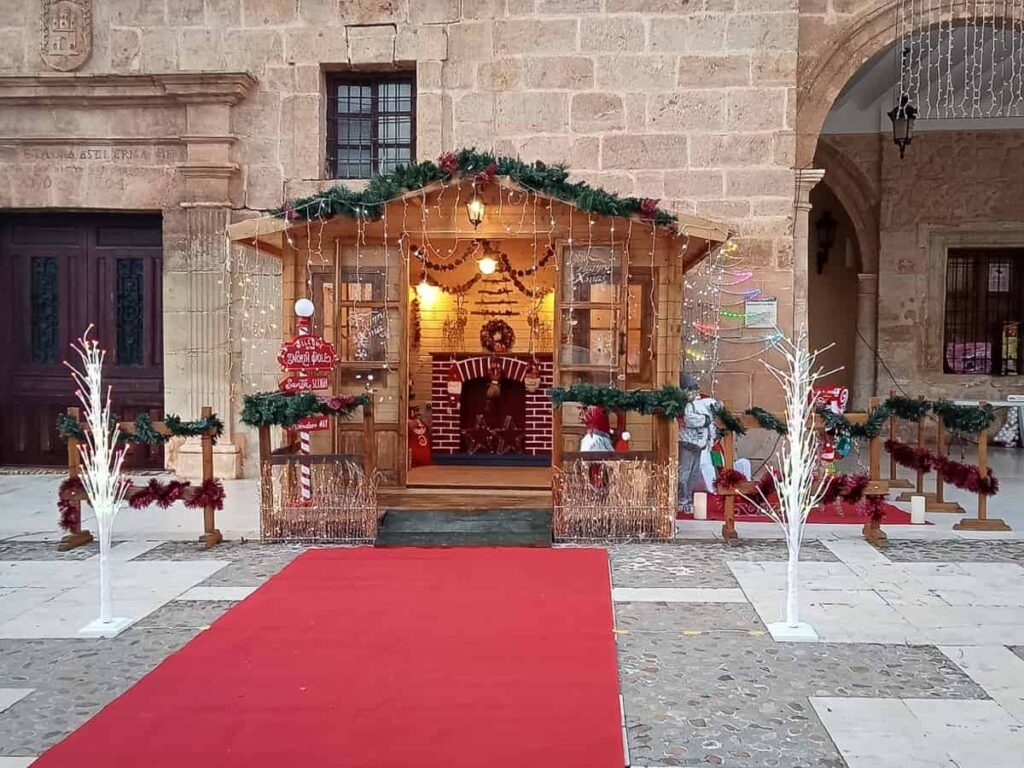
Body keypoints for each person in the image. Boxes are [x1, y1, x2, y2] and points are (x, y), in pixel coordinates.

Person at [678, 374, 719, 511]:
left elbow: (712, 409)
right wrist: (704, 420)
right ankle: (681, 499)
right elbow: (688, 419)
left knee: (694, 472)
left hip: (699, 443)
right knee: (685, 471)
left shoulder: (701, 403)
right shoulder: (686, 405)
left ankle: (688, 497)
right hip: (688, 441)